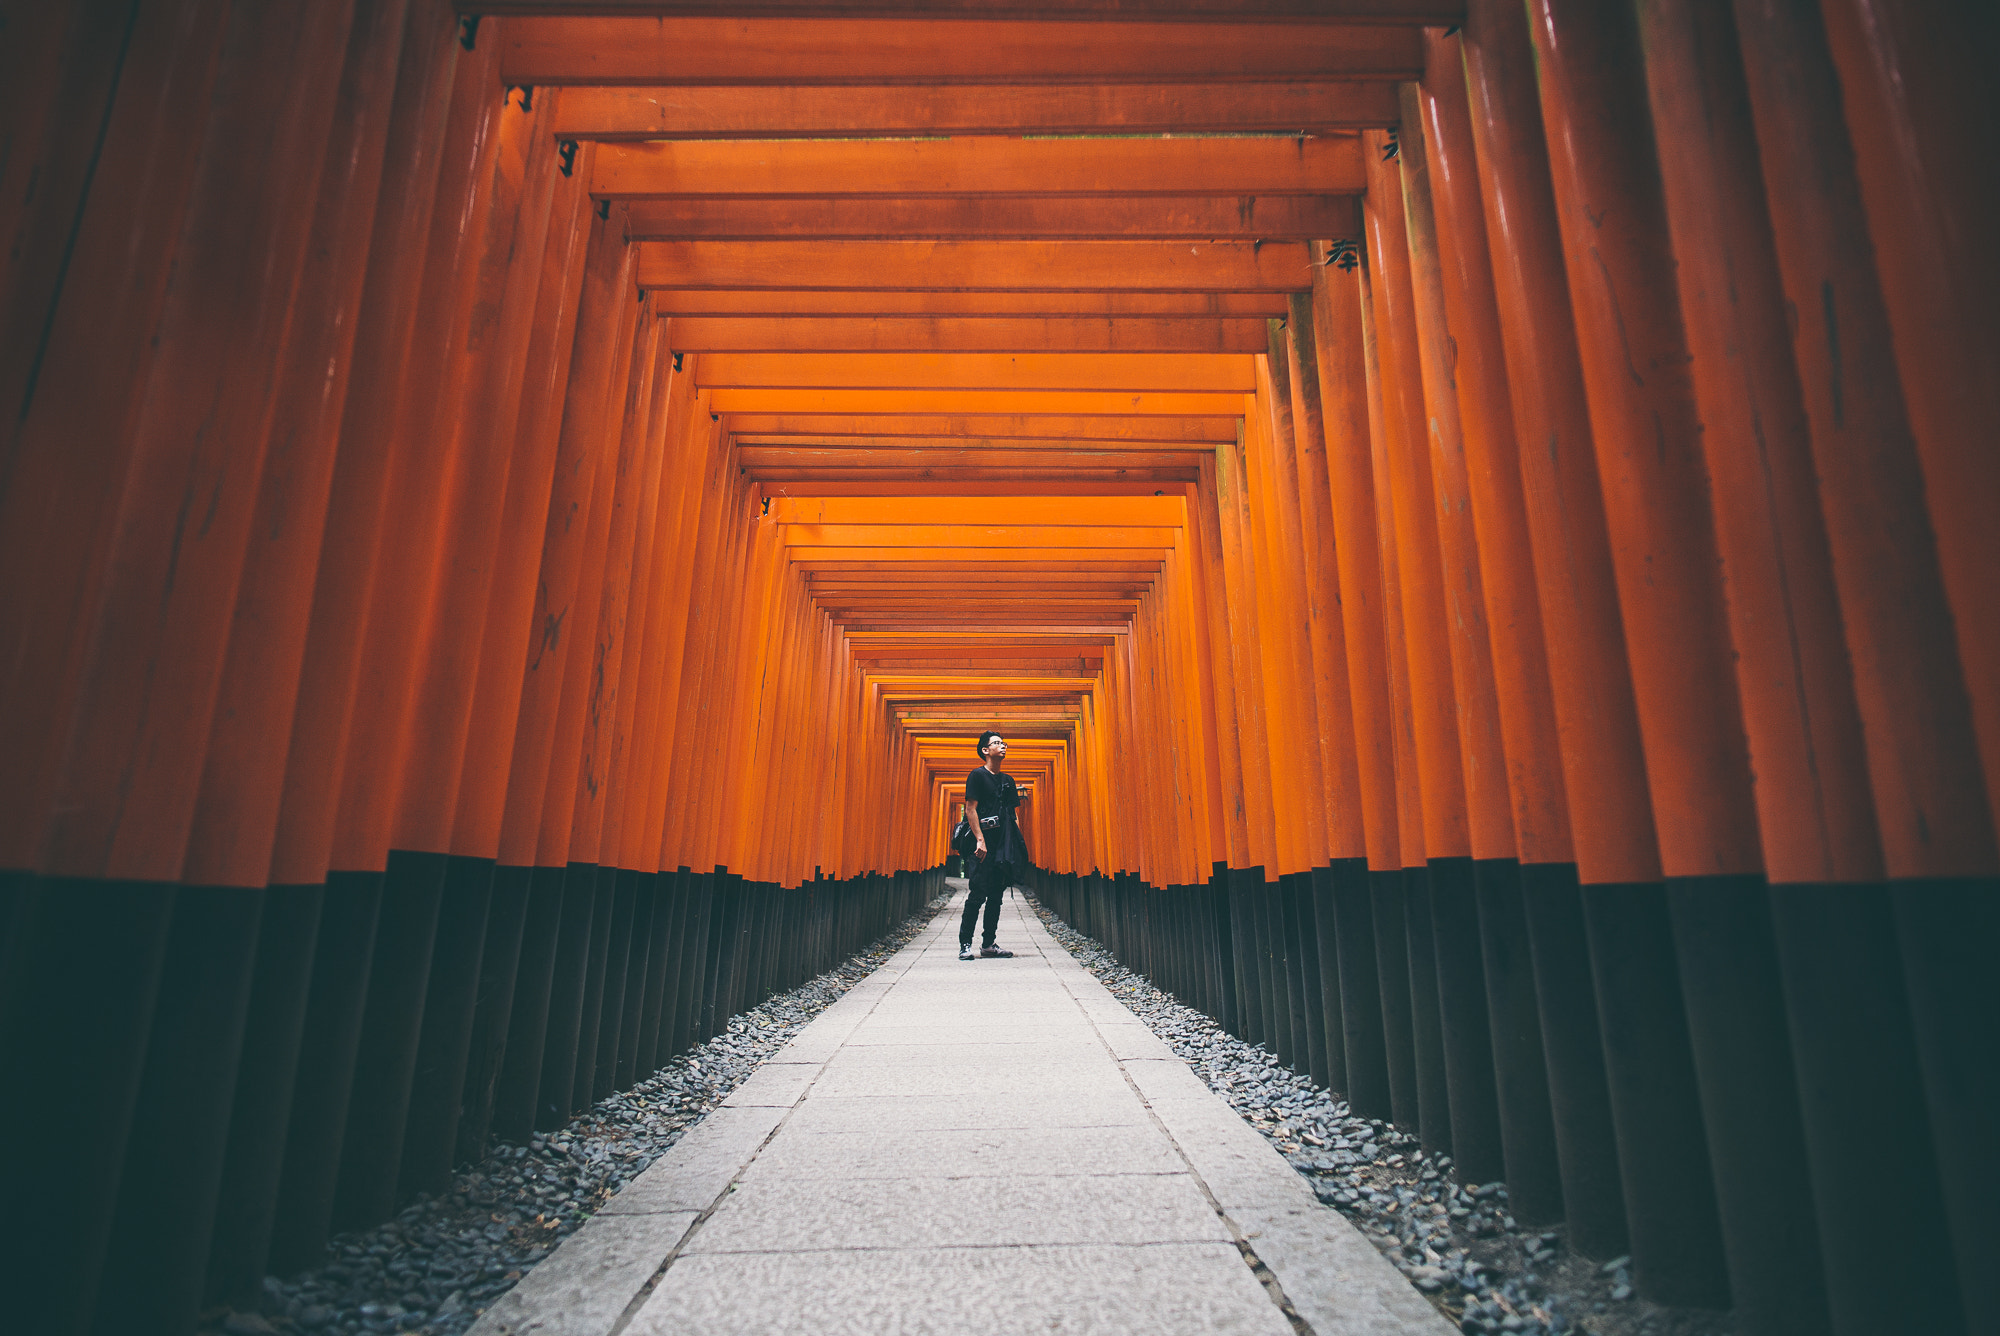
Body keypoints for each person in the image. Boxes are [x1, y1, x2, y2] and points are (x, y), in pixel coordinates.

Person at [960, 729, 1027, 960]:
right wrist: (980, 839)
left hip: (1002, 846)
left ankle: (988, 944)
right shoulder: (977, 776)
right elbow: (971, 809)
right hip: (982, 844)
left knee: (997, 896)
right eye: (997, 743)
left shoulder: (1008, 781)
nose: (1003, 745)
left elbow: (1012, 814)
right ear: (985, 750)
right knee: (977, 894)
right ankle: (965, 944)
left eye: (1003, 742)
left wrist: (1016, 843)